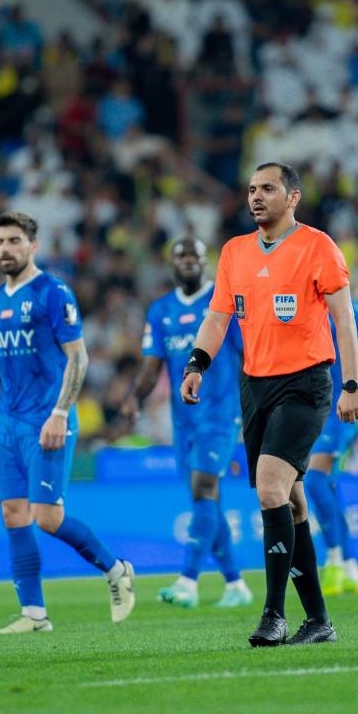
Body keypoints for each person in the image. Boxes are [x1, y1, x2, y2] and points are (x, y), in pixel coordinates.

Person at [180, 162, 358, 647]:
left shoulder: (318, 246)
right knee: (292, 498)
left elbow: (344, 320)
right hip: (255, 385)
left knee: (268, 488)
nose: (256, 197)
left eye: (267, 189)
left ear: (293, 196)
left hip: (306, 383)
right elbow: (218, 318)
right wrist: (196, 363)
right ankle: (319, 620)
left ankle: (273, 615)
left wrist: (351, 383)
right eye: (251, 189)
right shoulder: (235, 252)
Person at [0, 211, 135, 634]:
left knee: (47, 516)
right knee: (13, 513)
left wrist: (60, 411)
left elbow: (78, 356)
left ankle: (116, 568)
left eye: (14, 241)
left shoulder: (53, 293)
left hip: (47, 419)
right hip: (8, 424)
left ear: (33, 245)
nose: (6, 249)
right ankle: (34, 614)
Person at [120, 235, 253, 609]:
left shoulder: (224, 304)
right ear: (171, 264)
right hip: (185, 421)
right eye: (182, 255)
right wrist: (134, 398)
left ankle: (187, 582)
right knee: (206, 499)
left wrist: (251, 406)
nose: (189, 260)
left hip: (220, 413)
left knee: (202, 487)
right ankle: (236, 584)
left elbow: (248, 357)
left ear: (206, 262)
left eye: (196, 254)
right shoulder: (160, 310)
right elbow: (151, 365)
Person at [306, 298, 358, 596]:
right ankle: (350, 565)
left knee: (313, 479)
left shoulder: (353, 309)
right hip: (314, 409)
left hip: (344, 408)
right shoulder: (304, 306)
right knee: (328, 486)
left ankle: (334, 557)